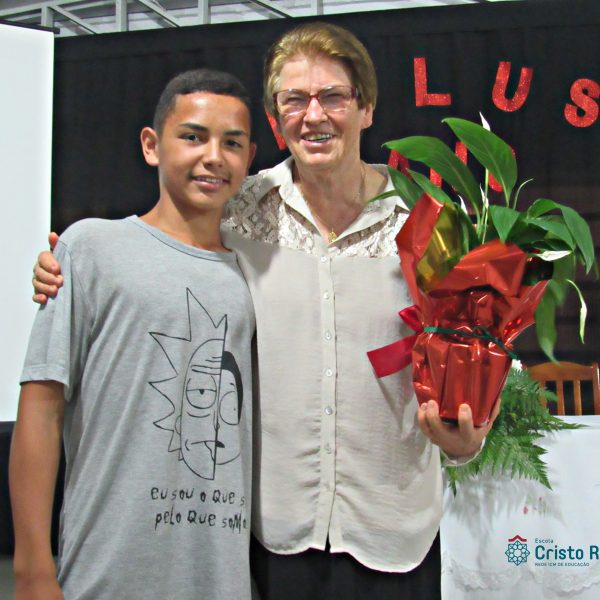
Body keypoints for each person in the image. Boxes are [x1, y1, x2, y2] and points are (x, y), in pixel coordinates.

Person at [31, 23, 497, 600]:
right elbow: (161, 245)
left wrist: (467, 439)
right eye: (294, 100)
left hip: (395, 531)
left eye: (333, 96)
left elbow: (471, 351)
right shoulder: (239, 208)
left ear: (367, 108)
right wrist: (65, 265)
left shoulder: (428, 222)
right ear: (276, 119)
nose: (314, 115)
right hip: (272, 537)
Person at [11, 68, 257, 600]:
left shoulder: (255, 273)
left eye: (232, 143)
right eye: (193, 136)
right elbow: (42, 406)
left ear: (249, 158)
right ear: (152, 145)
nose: (213, 156)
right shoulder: (91, 248)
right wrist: (31, 568)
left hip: (220, 579)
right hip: (105, 573)